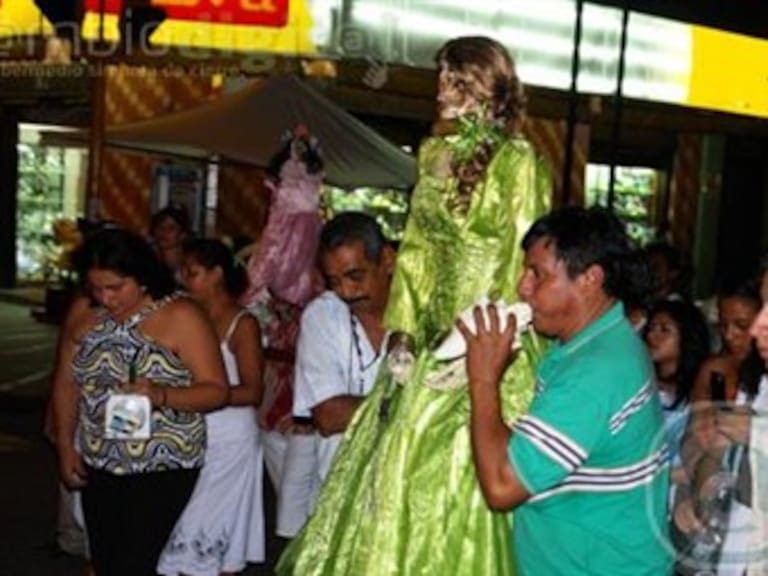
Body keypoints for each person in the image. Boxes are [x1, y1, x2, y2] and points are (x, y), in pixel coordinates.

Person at [278, 35, 550, 575]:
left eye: (455, 82)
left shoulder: (519, 160)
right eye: (441, 81)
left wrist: (482, 345)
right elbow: (419, 254)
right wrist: (401, 332)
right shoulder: (432, 155)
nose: (442, 93)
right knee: (393, 461)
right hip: (429, 339)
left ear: (485, 88)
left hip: (490, 337)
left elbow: (521, 264)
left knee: (463, 467)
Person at [461, 206, 672, 575]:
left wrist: (482, 380)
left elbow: (501, 487)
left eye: (538, 275)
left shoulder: (595, 371)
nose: (522, 287)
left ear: (590, 278)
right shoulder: (597, 342)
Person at [51, 227, 228, 576]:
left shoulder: (181, 315)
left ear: (143, 277)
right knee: (104, 558)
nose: (106, 298)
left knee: (134, 562)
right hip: (100, 455)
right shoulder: (85, 312)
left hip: (163, 462)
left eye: (116, 288)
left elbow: (217, 390)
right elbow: (66, 381)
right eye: (96, 288)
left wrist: (162, 395)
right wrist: (64, 445)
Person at [281, 212, 394, 536]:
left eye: (356, 276)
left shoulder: (421, 314)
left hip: (405, 492)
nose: (346, 290)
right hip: (340, 496)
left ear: (387, 260)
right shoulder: (322, 316)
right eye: (334, 280)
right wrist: (413, 404)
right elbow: (329, 416)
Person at [157, 238, 266, 575]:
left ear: (217, 274)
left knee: (208, 522)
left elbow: (252, 391)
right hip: (192, 432)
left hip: (230, 436)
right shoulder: (188, 317)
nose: (185, 281)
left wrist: (205, 393)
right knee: (188, 519)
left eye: (193, 273)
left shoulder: (242, 324)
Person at [676, 279, 765, 574]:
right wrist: (699, 496)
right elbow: (704, 450)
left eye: (742, 323)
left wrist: (757, 435)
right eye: (723, 325)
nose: (734, 336)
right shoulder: (750, 380)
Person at [644, 299, 711, 491]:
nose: (652, 335)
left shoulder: (699, 395)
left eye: (664, 330)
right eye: (651, 328)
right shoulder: (641, 384)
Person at [150, 205, 191, 282]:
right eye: (160, 227)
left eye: (171, 228)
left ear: (183, 235)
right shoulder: (148, 262)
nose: (164, 232)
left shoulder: (190, 266)